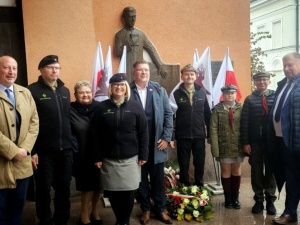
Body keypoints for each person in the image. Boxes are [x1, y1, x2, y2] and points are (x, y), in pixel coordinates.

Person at [92, 73, 149, 225]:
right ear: (110, 87)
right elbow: (95, 135)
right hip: (109, 159)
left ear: (126, 88)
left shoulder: (135, 107)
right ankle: (119, 220)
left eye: (122, 85)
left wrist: (144, 154)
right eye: (116, 85)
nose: (119, 87)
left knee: (129, 193)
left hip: (131, 159)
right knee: (114, 193)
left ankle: (124, 221)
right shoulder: (101, 108)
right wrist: (97, 157)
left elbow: (143, 132)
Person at [27, 55, 73, 225]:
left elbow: (68, 118)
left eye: (57, 68)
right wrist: (33, 151)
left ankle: (62, 220)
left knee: (64, 189)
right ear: (41, 70)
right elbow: (28, 123)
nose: (55, 70)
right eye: (50, 67)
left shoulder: (65, 91)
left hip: (65, 150)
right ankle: (45, 220)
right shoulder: (31, 91)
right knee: (44, 189)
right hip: (44, 152)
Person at [130, 60, 173, 224]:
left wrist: (167, 137)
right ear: (134, 72)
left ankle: (160, 209)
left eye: (146, 70)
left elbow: (168, 115)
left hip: (157, 143)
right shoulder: (128, 90)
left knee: (158, 180)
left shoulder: (158, 90)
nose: (143, 73)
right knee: (141, 180)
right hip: (137, 145)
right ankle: (146, 209)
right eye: (140, 70)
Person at [0, 56, 39, 225]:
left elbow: (34, 122)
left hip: (22, 162)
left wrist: (25, 149)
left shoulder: (25, 92)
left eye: (14, 68)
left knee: (17, 209)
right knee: (0, 211)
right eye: (7, 68)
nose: (11, 72)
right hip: (2, 164)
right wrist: (13, 151)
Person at [240, 72, 277, 215]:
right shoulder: (249, 100)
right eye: (258, 80)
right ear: (254, 83)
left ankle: (270, 200)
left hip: (271, 142)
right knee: (256, 171)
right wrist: (245, 142)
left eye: (264, 80)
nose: (262, 82)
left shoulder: (276, 96)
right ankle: (259, 200)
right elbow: (245, 123)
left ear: (269, 81)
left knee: (270, 171)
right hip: (255, 143)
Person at [270, 52, 300, 225]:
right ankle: (290, 212)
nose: (286, 69)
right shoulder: (284, 84)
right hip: (284, 140)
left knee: (295, 178)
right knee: (291, 178)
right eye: (284, 66)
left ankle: (290, 212)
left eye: (290, 65)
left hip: (296, 141)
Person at [171, 64, 211, 187]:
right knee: (183, 163)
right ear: (182, 76)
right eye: (186, 74)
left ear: (195, 76)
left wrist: (209, 134)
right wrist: (171, 136)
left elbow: (207, 115)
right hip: (183, 135)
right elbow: (171, 116)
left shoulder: (202, 92)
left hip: (199, 135)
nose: (189, 76)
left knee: (199, 162)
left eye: (192, 74)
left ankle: (200, 186)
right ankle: (184, 187)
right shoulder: (175, 94)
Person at [70, 81, 102, 225]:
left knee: (98, 186)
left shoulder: (99, 108)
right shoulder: (70, 109)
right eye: (81, 92)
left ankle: (94, 211)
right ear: (75, 95)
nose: (85, 95)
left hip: (99, 154)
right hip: (81, 154)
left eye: (88, 92)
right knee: (86, 187)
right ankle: (84, 214)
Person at [210, 84, 244, 209]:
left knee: (236, 170)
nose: (230, 95)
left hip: (238, 145)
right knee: (225, 171)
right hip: (223, 145)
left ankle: (236, 198)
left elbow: (245, 126)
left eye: (232, 93)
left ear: (236, 94)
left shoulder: (241, 108)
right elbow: (213, 129)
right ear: (223, 95)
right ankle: (228, 198)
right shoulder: (217, 109)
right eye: (227, 93)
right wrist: (215, 148)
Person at [114, 6, 168, 83]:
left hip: (140, 70)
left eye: (134, 17)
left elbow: (151, 49)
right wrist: (126, 47)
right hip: (127, 69)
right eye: (130, 17)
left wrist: (160, 65)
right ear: (124, 18)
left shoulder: (140, 34)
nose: (133, 19)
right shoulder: (120, 35)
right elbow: (116, 52)